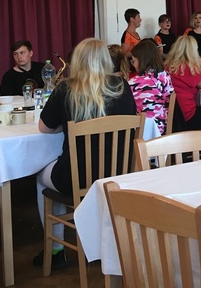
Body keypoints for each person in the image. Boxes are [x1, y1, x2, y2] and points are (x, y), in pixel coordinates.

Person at [34, 38, 137, 269]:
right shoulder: (122, 86)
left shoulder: (66, 89)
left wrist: (65, 124)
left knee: (40, 174)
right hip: (118, 174)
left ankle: (56, 249)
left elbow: (44, 128)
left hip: (77, 178)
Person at [166, 36, 201, 132]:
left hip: (171, 115)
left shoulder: (168, 67)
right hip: (186, 114)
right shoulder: (189, 68)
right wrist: (200, 66)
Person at [128, 40, 174, 135]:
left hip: (144, 131)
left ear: (142, 61)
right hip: (164, 126)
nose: (133, 65)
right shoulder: (165, 75)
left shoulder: (134, 82)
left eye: (134, 61)